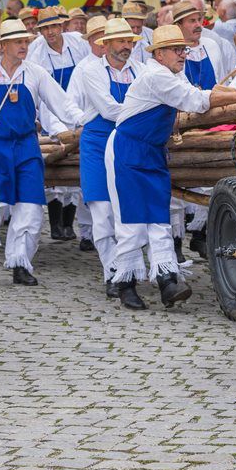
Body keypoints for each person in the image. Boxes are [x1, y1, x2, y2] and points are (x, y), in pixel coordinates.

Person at [104, 25, 236, 308]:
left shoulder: (171, 73)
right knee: (132, 222)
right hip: (127, 149)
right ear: (158, 54)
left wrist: (228, 91)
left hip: (152, 151)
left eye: (183, 49)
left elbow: (199, 91)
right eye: (176, 49)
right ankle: (125, 283)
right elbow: (196, 101)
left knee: (159, 218)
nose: (183, 54)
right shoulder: (156, 75)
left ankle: (167, 281)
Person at [0, 18, 83, 286]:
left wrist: (84, 120)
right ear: (4, 45)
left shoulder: (34, 72)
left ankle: (20, 262)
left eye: (26, 41)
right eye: (19, 42)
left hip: (26, 146)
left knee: (30, 206)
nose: (24, 46)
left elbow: (62, 103)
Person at [71, 17, 139, 299]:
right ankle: (112, 271)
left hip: (128, 144)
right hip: (98, 143)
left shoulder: (142, 70)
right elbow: (109, 109)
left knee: (128, 212)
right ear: (106, 44)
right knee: (102, 214)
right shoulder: (90, 71)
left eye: (129, 41)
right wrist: (144, 110)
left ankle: (127, 268)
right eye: (121, 41)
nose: (126, 47)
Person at [28, 6, 89, 242]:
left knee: (78, 177)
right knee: (58, 170)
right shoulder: (36, 53)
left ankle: (70, 223)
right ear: (40, 31)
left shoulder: (77, 43)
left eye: (54, 26)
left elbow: (86, 74)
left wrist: (82, 118)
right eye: (45, 28)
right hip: (51, 112)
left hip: (78, 108)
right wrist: (58, 128)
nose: (51, 32)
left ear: (62, 25)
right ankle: (56, 224)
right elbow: (42, 97)